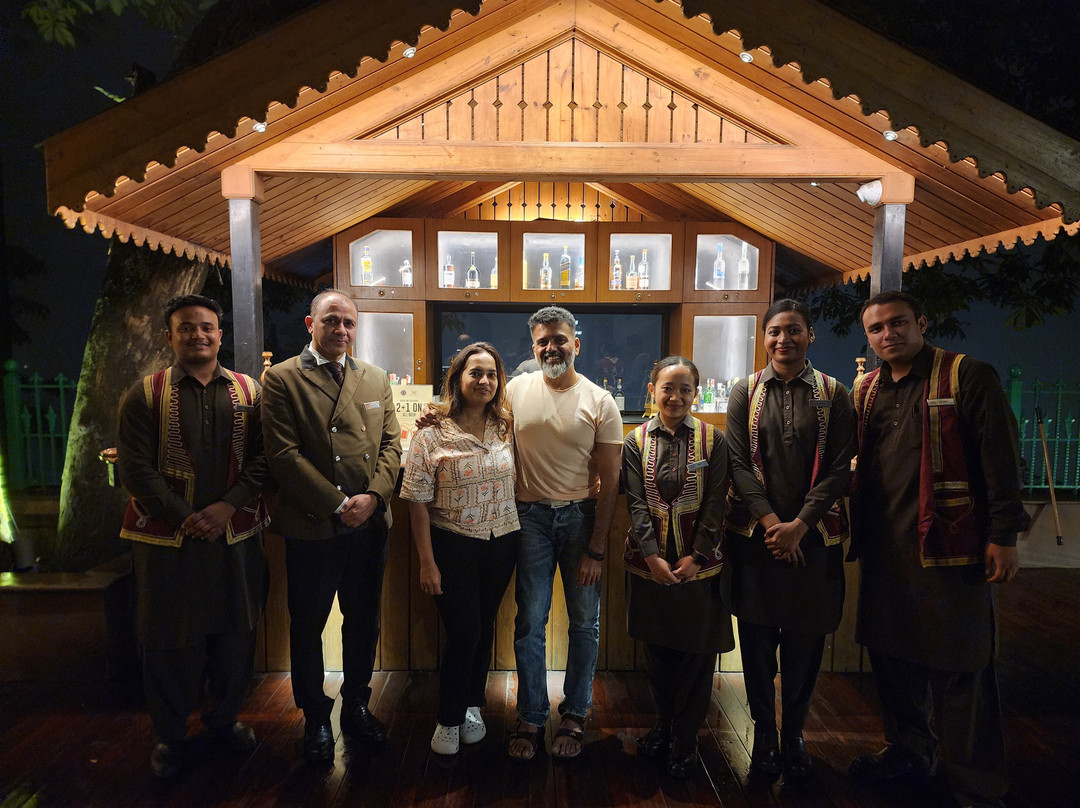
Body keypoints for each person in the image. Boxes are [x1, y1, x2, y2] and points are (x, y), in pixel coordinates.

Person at [846, 291, 1029, 808]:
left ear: (921, 323)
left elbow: (1001, 458)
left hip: (951, 548)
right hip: (887, 551)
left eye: (898, 323)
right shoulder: (867, 390)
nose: (888, 334)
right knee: (892, 660)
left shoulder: (966, 375)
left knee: (961, 664)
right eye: (877, 328)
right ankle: (908, 753)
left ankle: (973, 783)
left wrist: (1004, 536)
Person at [117, 294, 270, 778]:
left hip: (235, 532)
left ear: (220, 335)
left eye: (207, 327)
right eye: (186, 328)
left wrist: (227, 506)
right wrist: (185, 516)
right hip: (167, 538)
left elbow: (266, 459)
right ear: (170, 336)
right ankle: (171, 735)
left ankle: (224, 721)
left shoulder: (251, 391)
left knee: (236, 632)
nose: (198, 335)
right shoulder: (144, 394)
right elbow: (136, 469)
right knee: (168, 637)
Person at [260, 289, 402, 762]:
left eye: (349, 323)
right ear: (310, 324)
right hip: (313, 524)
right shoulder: (283, 378)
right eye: (332, 321)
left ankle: (356, 705)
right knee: (308, 625)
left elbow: (392, 446)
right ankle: (316, 717)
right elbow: (283, 455)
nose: (342, 330)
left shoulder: (374, 377)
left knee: (363, 623)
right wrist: (339, 504)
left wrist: (374, 497)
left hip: (369, 526)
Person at [724, 299, 856, 779]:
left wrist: (798, 525)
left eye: (794, 330)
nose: (784, 339)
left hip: (813, 539)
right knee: (757, 644)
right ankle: (764, 734)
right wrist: (771, 524)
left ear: (810, 335)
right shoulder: (745, 391)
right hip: (757, 540)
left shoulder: (834, 392)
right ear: (764, 338)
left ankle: (794, 733)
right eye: (775, 331)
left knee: (805, 642)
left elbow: (839, 468)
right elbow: (738, 463)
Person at [506, 306, 623, 761]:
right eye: (543, 341)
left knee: (584, 623)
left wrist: (597, 548)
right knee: (529, 622)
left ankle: (575, 714)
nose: (551, 348)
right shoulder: (515, 391)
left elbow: (610, 481)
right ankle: (532, 716)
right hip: (529, 518)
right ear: (533, 347)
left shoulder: (600, 401)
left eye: (559, 339)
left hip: (580, 518)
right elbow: (474, 421)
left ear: (576, 344)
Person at [400, 342, 519, 755]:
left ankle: (471, 703)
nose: (484, 381)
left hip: (503, 541)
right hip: (452, 543)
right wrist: (427, 562)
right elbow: (416, 501)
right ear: (457, 378)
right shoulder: (430, 433)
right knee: (465, 630)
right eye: (475, 373)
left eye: (491, 374)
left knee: (483, 627)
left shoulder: (506, 426)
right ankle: (449, 717)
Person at [622, 355, 732, 778]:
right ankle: (663, 727)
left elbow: (717, 502)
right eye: (668, 388)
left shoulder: (714, 440)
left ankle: (686, 739)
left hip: (699, 569)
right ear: (653, 390)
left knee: (696, 658)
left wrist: (696, 556)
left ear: (696, 393)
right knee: (658, 653)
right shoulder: (635, 441)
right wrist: (652, 556)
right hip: (648, 566)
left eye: (685, 389)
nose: (676, 396)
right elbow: (636, 504)